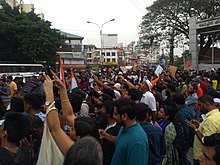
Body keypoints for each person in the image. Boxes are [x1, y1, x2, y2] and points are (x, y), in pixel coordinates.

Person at [110, 98, 148, 165]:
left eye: (115, 114)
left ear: (124, 116)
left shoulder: (137, 141)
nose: (113, 116)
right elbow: (121, 142)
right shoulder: (124, 127)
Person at [187, 95, 220, 165]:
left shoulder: (211, 120)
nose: (199, 108)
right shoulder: (217, 115)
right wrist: (199, 125)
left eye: (200, 105)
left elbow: (206, 140)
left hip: (202, 157)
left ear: (206, 104)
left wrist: (195, 129)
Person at [173, 93, 194, 165]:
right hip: (187, 140)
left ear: (175, 103)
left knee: (183, 159)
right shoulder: (186, 109)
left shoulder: (181, 114)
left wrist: (179, 143)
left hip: (183, 142)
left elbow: (183, 131)